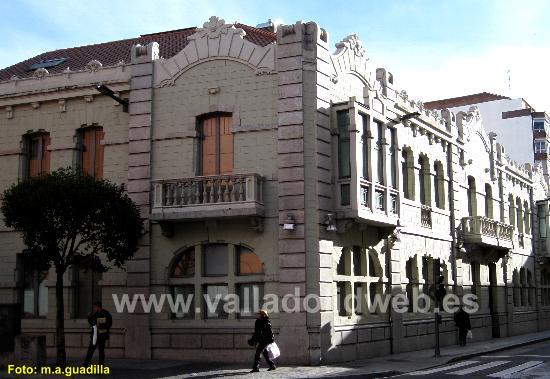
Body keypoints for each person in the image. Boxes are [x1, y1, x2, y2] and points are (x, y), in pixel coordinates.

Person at [83, 301, 112, 366]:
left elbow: (109, 323)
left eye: (94, 307)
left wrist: (101, 325)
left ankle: (101, 366)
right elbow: (92, 323)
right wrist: (89, 317)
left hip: (102, 335)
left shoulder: (106, 313)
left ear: (98, 307)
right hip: (95, 335)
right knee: (90, 350)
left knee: (101, 351)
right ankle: (85, 365)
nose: (93, 309)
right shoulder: (94, 314)